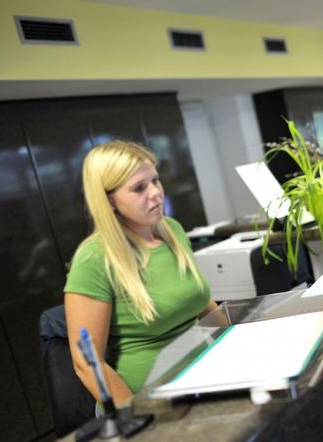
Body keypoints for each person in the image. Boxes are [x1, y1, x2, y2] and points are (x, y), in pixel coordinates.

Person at [64, 140, 217, 407]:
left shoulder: (171, 229)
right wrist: (135, 416)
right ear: (109, 200)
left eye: (155, 181)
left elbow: (203, 304)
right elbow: (86, 363)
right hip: (150, 397)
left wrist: (236, 344)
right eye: (139, 188)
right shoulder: (95, 258)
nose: (156, 193)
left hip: (203, 375)